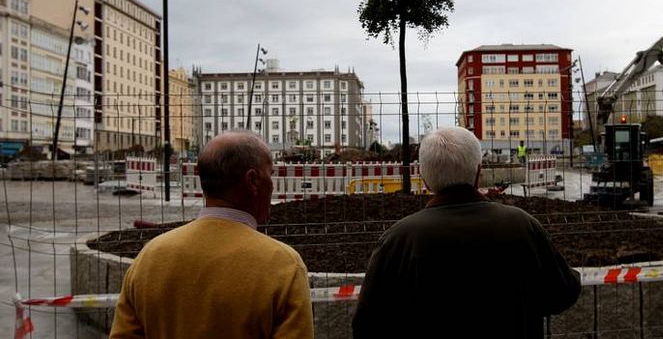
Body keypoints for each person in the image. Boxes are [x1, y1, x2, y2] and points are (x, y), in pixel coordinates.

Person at [352, 127, 581, 339]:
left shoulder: (400, 239)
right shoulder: (521, 225)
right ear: (478, 172)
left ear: (424, 179)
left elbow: (367, 324)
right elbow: (563, 294)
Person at [110, 131, 314, 339]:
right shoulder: (283, 266)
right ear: (253, 181)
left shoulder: (149, 258)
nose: (272, 184)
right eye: (271, 174)